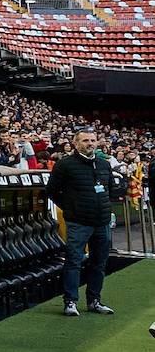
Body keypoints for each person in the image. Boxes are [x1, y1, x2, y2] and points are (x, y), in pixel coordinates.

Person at [47, 128, 117, 317]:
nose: (90, 143)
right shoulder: (65, 165)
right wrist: (71, 208)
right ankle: (70, 302)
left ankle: (94, 301)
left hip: (101, 222)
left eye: (93, 140)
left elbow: (109, 188)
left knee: (99, 263)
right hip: (79, 222)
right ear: (76, 144)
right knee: (74, 261)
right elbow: (52, 191)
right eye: (85, 140)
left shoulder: (104, 164)